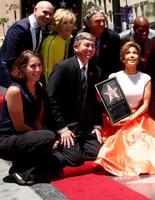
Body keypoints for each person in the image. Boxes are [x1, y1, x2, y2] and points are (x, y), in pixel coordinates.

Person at [95, 41, 155, 176]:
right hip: (118, 120)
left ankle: (147, 166)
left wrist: (132, 117)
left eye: (135, 53)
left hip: (139, 117)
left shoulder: (145, 78)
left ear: (139, 57)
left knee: (149, 141)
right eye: (128, 53)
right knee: (128, 142)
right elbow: (109, 104)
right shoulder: (114, 77)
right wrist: (101, 99)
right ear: (123, 58)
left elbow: (145, 105)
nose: (132, 55)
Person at [0, 51, 63, 185]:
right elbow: (19, 125)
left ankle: (30, 166)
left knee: (58, 162)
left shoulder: (39, 87)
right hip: (8, 140)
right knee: (48, 137)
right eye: (33, 66)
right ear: (22, 68)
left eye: (40, 65)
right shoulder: (15, 90)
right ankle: (18, 170)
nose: (38, 69)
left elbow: (37, 119)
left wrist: (47, 140)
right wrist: (44, 137)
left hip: (26, 135)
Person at [45, 32, 102, 166]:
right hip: (66, 126)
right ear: (76, 47)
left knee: (99, 154)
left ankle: (75, 146)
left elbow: (95, 101)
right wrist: (61, 129)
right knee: (74, 160)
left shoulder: (95, 70)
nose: (90, 49)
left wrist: (97, 125)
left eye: (93, 46)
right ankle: (55, 145)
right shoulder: (62, 68)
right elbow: (50, 98)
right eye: (86, 45)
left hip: (84, 127)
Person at [119, 16, 155, 121]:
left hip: (148, 77)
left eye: (147, 30)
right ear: (134, 28)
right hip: (128, 75)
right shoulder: (122, 38)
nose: (145, 33)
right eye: (141, 31)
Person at [0, 1, 54, 88]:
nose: (48, 16)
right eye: (45, 12)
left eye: (51, 14)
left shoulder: (39, 28)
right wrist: (16, 85)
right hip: (9, 80)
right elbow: (10, 59)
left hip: (25, 79)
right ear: (35, 10)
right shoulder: (19, 28)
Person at [82, 6, 121, 80]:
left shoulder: (112, 37)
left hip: (107, 79)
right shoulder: (80, 37)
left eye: (103, 21)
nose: (102, 24)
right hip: (86, 79)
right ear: (88, 23)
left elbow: (116, 64)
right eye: (97, 21)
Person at [40, 8, 76, 81]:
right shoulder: (50, 42)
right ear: (58, 25)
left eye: (71, 22)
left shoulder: (69, 39)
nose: (69, 26)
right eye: (65, 23)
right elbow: (47, 70)